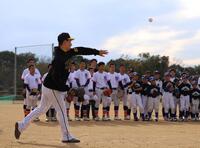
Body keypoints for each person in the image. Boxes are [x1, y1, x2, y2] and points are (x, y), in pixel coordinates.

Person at [14, 32, 108, 143]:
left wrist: (96, 52)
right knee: (62, 111)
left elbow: (81, 49)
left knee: (41, 109)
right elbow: (56, 79)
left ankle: (21, 125)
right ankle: (66, 136)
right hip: (53, 87)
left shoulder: (68, 51)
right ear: (64, 42)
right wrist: (68, 89)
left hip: (49, 86)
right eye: (69, 41)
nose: (71, 42)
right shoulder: (59, 59)